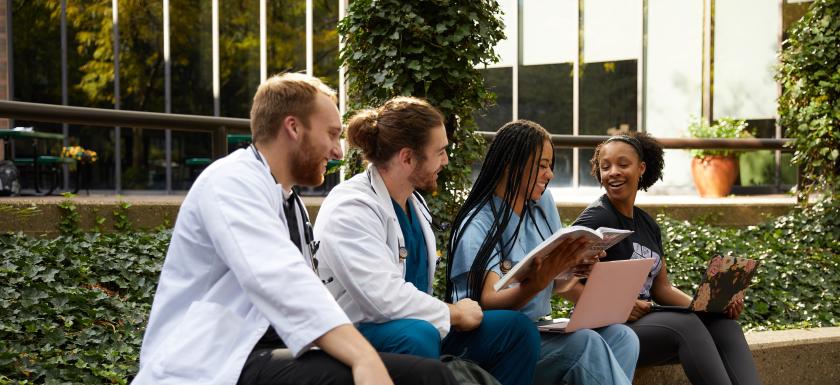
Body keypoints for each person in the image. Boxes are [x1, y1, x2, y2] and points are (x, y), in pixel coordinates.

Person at [132, 74, 457, 385]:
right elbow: (278, 277)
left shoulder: (290, 202)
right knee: (424, 376)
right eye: (331, 134)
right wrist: (363, 357)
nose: (338, 151)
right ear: (293, 128)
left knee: (422, 374)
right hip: (210, 360)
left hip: (263, 351)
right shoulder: (230, 181)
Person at [313, 97, 541, 385]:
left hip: (418, 325)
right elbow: (383, 300)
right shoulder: (350, 208)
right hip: (360, 331)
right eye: (441, 152)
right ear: (407, 157)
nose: (446, 160)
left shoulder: (414, 202)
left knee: (516, 329)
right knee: (417, 336)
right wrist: (455, 312)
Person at [446, 120, 641, 385]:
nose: (549, 174)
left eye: (550, 166)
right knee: (584, 344)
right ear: (510, 163)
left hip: (541, 327)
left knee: (622, 336)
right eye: (542, 165)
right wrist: (536, 283)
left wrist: (573, 266)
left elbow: (559, 284)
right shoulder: (477, 223)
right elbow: (489, 301)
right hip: (499, 339)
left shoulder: (541, 204)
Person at [567, 131, 761, 385]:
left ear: (641, 168)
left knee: (726, 327)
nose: (613, 172)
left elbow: (662, 288)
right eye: (605, 167)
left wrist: (708, 308)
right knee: (686, 326)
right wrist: (620, 304)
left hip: (648, 321)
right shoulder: (596, 218)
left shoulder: (648, 225)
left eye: (623, 164)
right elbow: (563, 275)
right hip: (606, 329)